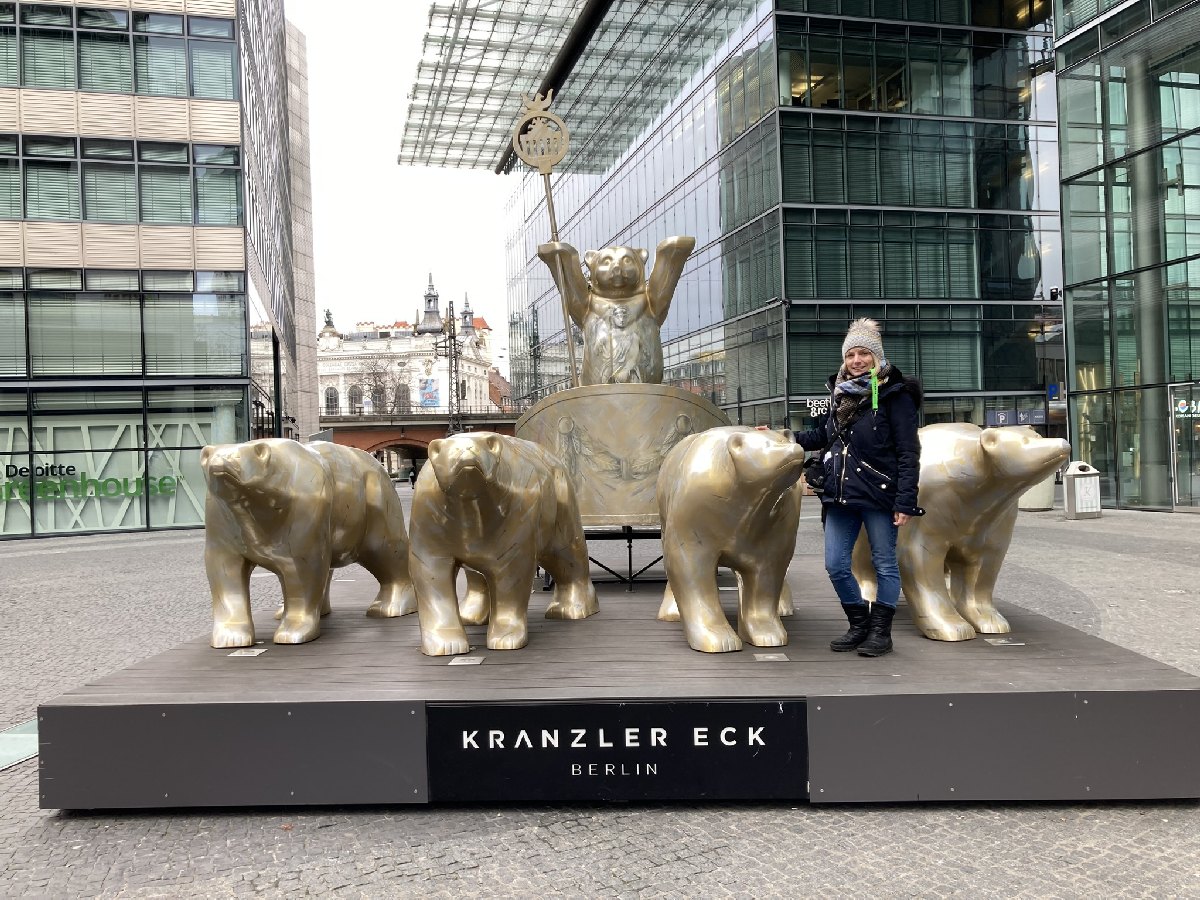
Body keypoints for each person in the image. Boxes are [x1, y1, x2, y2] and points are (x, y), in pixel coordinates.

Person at [794, 318, 923, 657]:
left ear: (876, 357)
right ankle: (860, 624)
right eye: (851, 354)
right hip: (840, 496)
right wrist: (783, 438)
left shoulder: (896, 395)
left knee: (884, 564)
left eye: (864, 353)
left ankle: (882, 633)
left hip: (880, 494)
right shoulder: (839, 394)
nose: (856, 361)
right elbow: (821, 436)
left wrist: (905, 500)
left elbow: (908, 452)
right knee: (836, 564)